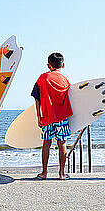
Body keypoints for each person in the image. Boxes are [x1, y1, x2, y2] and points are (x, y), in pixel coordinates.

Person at [31, 52, 73, 180]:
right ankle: (61, 173)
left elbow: (37, 99)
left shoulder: (42, 78)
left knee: (46, 143)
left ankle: (44, 173)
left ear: (49, 65)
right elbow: (71, 100)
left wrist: (39, 116)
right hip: (61, 117)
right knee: (62, 144)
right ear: (63, 65)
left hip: (47, 117)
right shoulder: (65, 80)